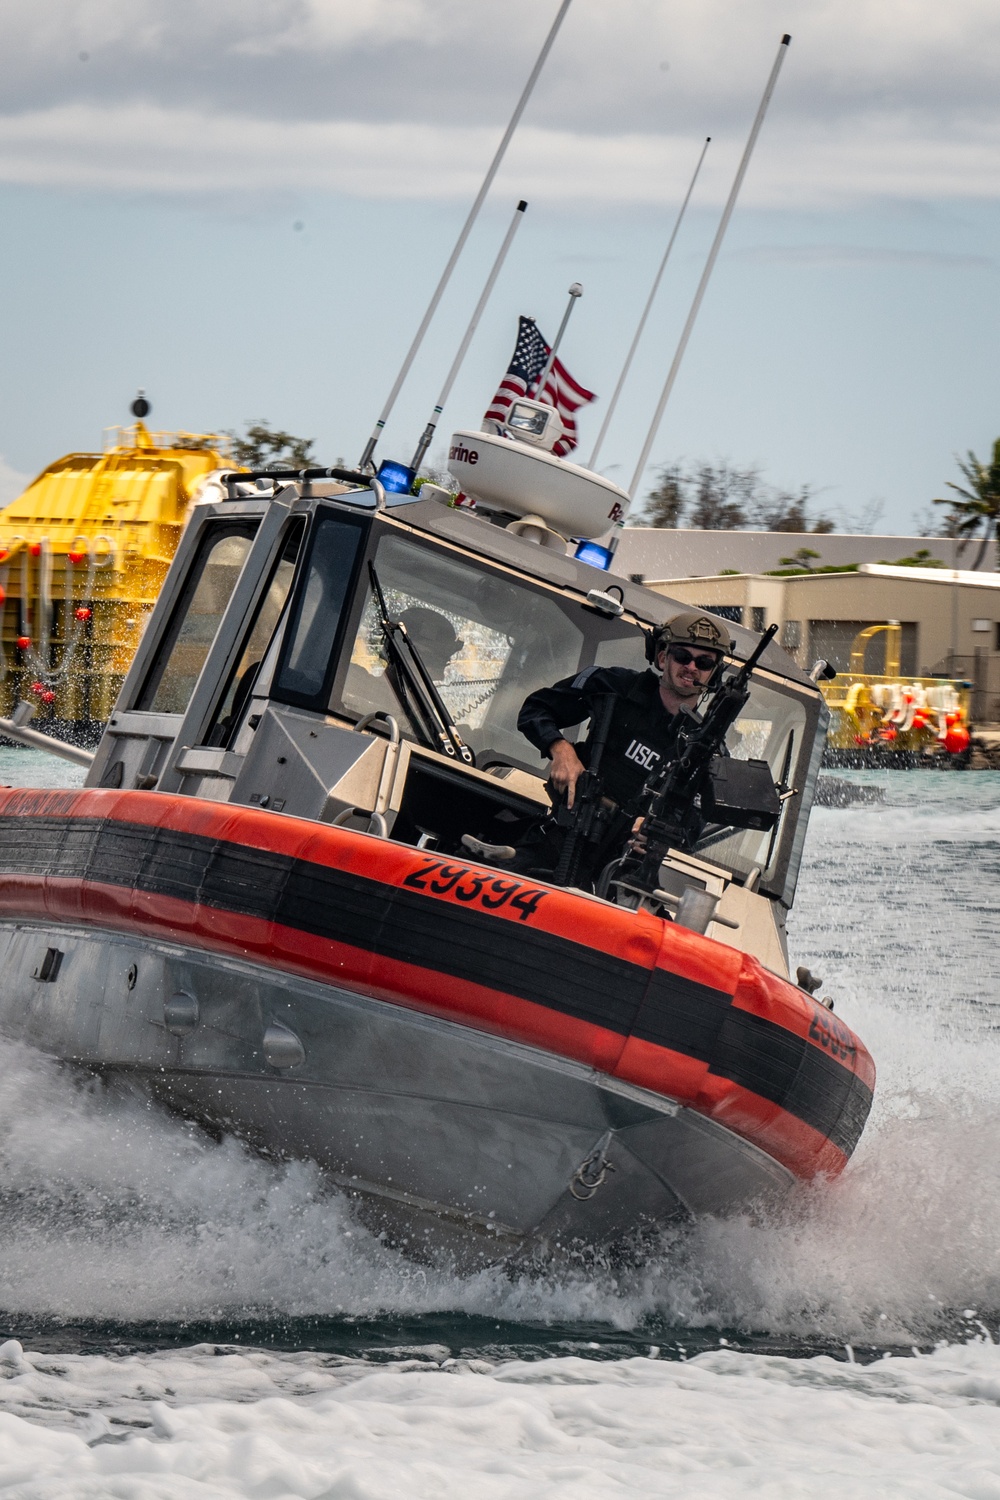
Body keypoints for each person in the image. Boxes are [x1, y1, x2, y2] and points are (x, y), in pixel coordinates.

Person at [461, 610, 732, 883]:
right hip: (562, 840)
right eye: (682, 657)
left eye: (705, 662)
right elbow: (536, 709)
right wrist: (560, 749)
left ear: (714, 673)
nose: (692, 667)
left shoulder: (707, 750)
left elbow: (693, 827)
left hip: (621, 874)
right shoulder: (614, 687)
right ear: (663, 658)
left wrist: (658, 833)